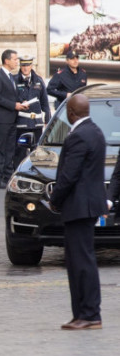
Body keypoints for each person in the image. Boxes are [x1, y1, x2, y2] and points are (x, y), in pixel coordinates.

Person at [49, 94, 104, 330]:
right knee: (79, 260)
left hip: (79, 206)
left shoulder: (80, 135)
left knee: (81, 262)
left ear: (71, 112)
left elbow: (69, 175)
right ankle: (83, 312)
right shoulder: (95, 131)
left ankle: (89, 314)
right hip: (86, 206)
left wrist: (55, 199)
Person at [0, 49, 27, 188]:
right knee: (1, 148)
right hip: (2, 119)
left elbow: (13, 96)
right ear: (7, 60)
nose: (17, 62)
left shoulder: (12, 77)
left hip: (12, 118)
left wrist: (22, 104)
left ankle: (7, 176)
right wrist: (14, 105)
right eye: (15, 59)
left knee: (10, 149)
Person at [14, 55, 52, 165]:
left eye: (28, 65)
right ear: (20, 66)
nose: (25, 68)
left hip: (36, 125)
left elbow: (45, 103)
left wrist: (47, 120)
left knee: (37, 152)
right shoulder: (15, 80)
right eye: (23, 65)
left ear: (31, 65)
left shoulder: (38, 80)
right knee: (20, 153)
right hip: (21, 124)